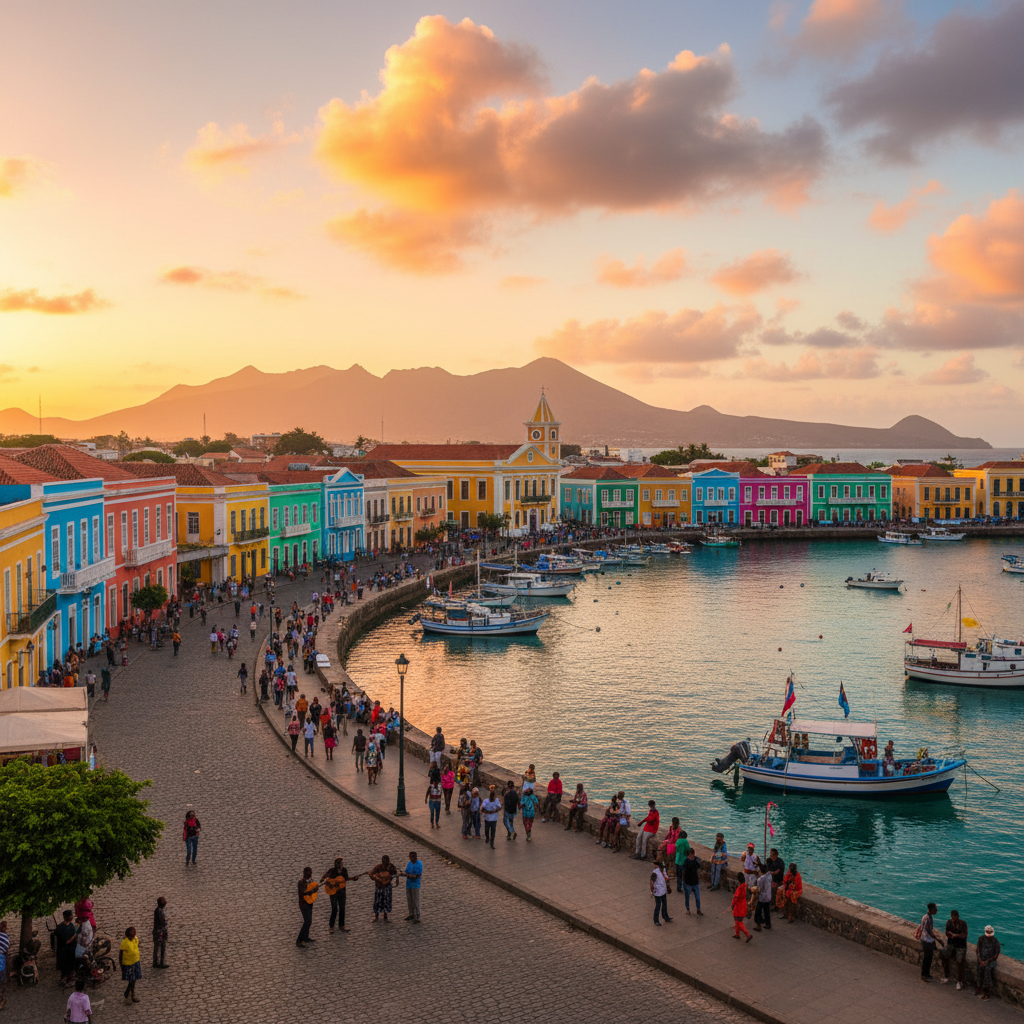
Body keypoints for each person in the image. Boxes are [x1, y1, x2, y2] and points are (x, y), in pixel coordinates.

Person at [321, 858, 359, 933]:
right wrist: (330, 883)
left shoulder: (344, 870)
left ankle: (342, 925)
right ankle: (331, 926)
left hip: (342, 892)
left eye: (341, 864)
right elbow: (322, 879)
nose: (340, 865)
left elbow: (346, 878)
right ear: (335, 864)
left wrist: (353, 879)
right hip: (333, 893)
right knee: (334, 909)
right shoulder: (331, 871)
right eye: (339, 864)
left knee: (342, 908)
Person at [939, 909, 968, 988]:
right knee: (943, 955)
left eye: (955, 918)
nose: (953, 920)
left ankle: (960, 981)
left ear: (958, 917)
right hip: (951, 944)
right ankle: (946, 975)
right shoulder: (949, 922)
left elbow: (965, 936)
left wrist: (956, 935)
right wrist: (949, 934)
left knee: (960, 961)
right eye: (952, 918)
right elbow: (946, 931)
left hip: (960, 946)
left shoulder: (963, 924)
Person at [919, 902, 944, 982]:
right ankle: (924, 974)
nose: (936, 910)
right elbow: (929, 931)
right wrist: (938, 939)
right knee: (927, 958)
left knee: (928, 958)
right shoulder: (928, 918)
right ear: (931, 910)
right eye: (935, 909)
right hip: (927, 940)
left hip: (926, 939)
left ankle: (926, 973)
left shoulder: (926, 916)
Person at [976, 925, 1000, 1000]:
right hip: (982, 959)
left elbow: (996, 954)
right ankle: (979, 986)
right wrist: (980, 959)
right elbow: (978, 950)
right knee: (979, 969)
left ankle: (986, 991)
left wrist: (987, 961)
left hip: (990, 960)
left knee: (987, 970)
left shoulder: (996, 941)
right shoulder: (981, 938)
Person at [370, 856, 397, 923]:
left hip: (387, 887)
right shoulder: (378, 867)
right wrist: (376, 878)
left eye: (385, 861)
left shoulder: (391, 867)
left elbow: (395, 874)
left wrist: (389, 878)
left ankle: (385, 916)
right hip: (379, 887)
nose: (384, 863)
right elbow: (371, 874)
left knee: (386, 901)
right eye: (383, 861)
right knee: (378, 901)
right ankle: (376, 916)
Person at [54, 908, 77, 983]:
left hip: (65, 950)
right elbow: (67, 941)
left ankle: (67, 978)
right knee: (66, 967)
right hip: (66, 951)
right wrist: (75, 936)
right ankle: (64, 981)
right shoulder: (65, 928)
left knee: (67, 967)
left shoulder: (62, 926)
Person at [119, 926, 141, 1005]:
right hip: (128, 964)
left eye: (133, 935)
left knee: (133, 979)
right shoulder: (125, 943)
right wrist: (121, 966)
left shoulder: (136, 939)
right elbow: (120, 955)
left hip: (135, 962)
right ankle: (132, 994)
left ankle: (128, 991)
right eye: (130, 936)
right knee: (132, 980)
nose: (132, 937)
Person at [296, 867, 318, 946]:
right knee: (307, 921)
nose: (310, 875)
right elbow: (303, 892)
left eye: (311, 873)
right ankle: (299, 940)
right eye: (309, 874)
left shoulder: (311, 881)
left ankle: (306, 937)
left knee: (309, 921)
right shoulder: (301, 882)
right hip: (303, 904)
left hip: (309, 903)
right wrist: (312, 891)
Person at [681, 847, 703, 915]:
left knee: (697, 898)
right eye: (690, 855)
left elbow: (700, 867)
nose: (691, 856)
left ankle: (698, 909)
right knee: (687, 897)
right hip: (687, 882)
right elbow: (683, 871)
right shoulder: (686, 862)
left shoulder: (696, 860)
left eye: (692, 855)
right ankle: (688, 909)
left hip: (695, 882)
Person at [402, 851, 423, 923]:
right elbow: (406, 871)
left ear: (415, 857)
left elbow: (418, 875)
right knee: (410, 900)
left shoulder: (419, 864)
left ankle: (417, 917)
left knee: (416, 901)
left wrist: (411, 876)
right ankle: (411, 914)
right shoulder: (409, 863)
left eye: (411, 857)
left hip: (415, 885)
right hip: (409, 885)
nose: (410, 858)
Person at [731, 872, 752, 942]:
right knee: (738, 921)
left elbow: (736, 898)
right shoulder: (745, 885)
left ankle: (747, 935)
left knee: (738, 921)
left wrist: (732, 905)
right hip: (743, 905)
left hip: (738, 907)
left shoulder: (740, 888)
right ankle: (737, 934)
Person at [650, 861, 672, 925]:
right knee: (658, 905)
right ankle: (656, 920)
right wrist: (652, 890)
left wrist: (667, 887)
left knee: (664, 904)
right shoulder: (655, 873)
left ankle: (665, 917)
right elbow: (651, 883)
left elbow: (666, 879)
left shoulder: (662, 871)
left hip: (663, 890)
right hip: (658, 891)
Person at [753, 865, 772, 931]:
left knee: (758, 912)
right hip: (768, 896)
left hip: (762, 897)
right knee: (766, 911)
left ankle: (759, 926)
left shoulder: (760, 879)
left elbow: (759, 889)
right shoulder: (769, 876)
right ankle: (768, 924)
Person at [152, 897, 168, 968]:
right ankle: (161, 962)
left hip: (156, 932)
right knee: (162, 947)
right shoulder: (160, 912)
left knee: (156, 947)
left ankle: (155, 962)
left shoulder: (157, 910)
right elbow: (162, 922)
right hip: (160, 932)